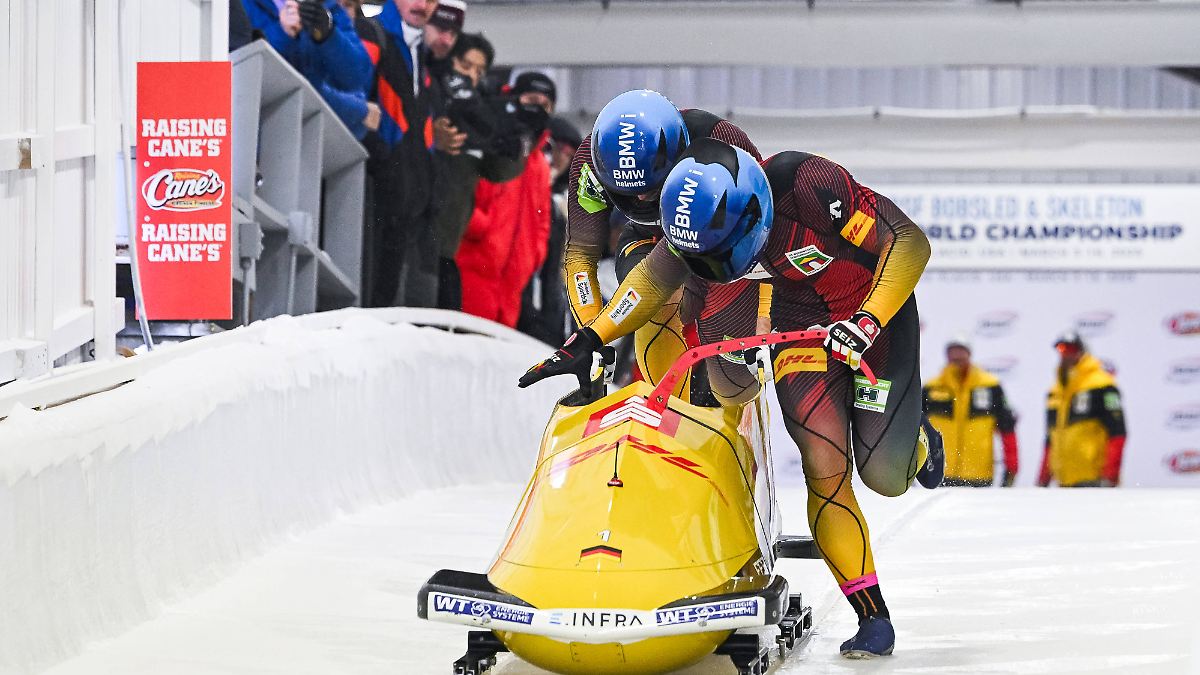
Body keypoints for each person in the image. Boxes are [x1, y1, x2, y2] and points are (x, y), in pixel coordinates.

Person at [520, 138, 944, 658]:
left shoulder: (808, 185)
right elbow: (648, 287)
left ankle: (916, 442)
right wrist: (587, 339)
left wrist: (866, 320)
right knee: (824, 463)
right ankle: (873, 616)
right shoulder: (688, 235)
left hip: (874, 313)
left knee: (885, 476)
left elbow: (909, 242)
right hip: (801, 325)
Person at [564, 90, 763, 402]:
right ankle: (667, 410)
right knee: (654, 299)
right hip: (649, 238)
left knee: (728, 376)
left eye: (652, 186)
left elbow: (766, 238)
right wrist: (592, 334)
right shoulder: (590, 164)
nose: (643, 198)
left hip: (720, 244)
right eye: (631, 191)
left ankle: (731, 402)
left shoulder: (723, 144)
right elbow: (581, 256)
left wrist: (762, 312)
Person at [357, 0, 460, 307]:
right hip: (374, 194)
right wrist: (385, 162)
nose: (422, 5)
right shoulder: (374, 34)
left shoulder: (417, 51)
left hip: (407, 204)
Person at [429, 33, 524, 310]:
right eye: (465, 65)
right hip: (419, 236)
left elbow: (499, 170)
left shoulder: (479, 112)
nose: (470, 75)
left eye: (478, 71)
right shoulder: (431, 93)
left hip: (448, 243)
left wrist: (509, 142)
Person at [456, 72, 557, 327]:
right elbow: (462, 195)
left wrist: (533, 256)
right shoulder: (491, 143)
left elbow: (542, 223)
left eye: (546, 105)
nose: (538, 109)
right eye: (532, 99)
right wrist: (482, 230)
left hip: (511, 287)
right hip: (473, 271)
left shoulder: (539, 167)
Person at [242, 0, 376, 139]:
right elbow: (244, 72)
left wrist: (328, 35)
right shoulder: (242, 5)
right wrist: (282, 33)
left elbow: (357, 77)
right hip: (257, 138)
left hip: (314, 141)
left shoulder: (329, 7)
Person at [518, 116, 584, 345]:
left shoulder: (561, 207)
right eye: (555, 148)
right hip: (520, 299)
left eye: (568, 154)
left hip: (547, 307)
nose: (559, 158)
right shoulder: (524, 189)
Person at [923, 336, 1019, 487]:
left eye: (961, 351)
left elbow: (1007, 428)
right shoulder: (932, 388)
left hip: (979, 476)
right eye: (952, 351)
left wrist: (1012, 468)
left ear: (969, 353)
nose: (956, 356)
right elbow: (914, 429)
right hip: (939, 474)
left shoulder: (990, 386)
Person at [1037, 332, 1127, 487]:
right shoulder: (1055, 392)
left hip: (1094, 479)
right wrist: (1042, 480)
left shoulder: (1102, 386)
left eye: (1071, 349)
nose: (1066, 355)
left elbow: (1118, 434)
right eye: (1061, 350)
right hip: (1064, 481)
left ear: (1082, 351)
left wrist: (1110, 477)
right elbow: (1051, 440)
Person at [423, 0, 465, 80]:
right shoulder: (397, 63)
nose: (447, 42)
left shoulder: (453, 82)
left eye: (453, 34)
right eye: (441, 30)